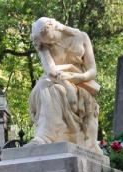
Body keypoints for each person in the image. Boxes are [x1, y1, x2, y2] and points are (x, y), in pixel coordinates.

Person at [28, 17, 103, 154]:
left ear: (56, 28)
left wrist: (80, 77)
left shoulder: (82, 37)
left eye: (51, 38)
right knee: (45, 87)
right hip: (57, 80)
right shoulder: (42, 44)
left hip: (80, 83)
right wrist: (67, 85)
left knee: (51, 89)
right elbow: (50, 70)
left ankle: (51, 136)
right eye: (47, 42)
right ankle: (45, 136)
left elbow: (92, 70)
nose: (50, 43)